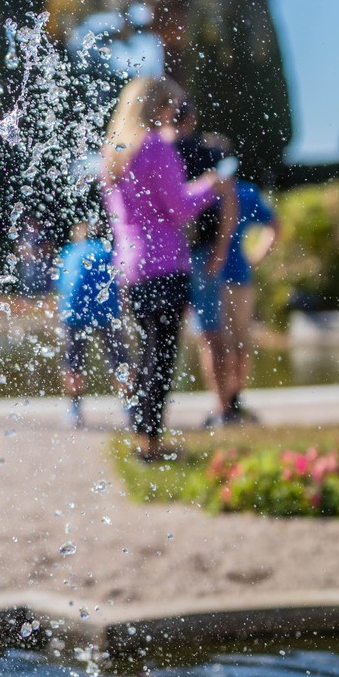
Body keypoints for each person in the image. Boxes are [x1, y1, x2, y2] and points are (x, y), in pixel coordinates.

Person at [100, 76, 226, 462]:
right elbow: (181, 208)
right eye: (171, 105)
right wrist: (211, 185)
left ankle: (142, 434)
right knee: (162, 356)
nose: (175, 112)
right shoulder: (156, 146)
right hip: (166, 264)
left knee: (146, 354)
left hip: (131, 266)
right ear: (156, 107)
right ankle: (149, 444)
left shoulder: (114, 150)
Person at [172, 104, 238, 426]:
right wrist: (220, 251)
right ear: (192, 119)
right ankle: (224, 407)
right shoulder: (209, 152)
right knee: (211, 334)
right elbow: (229, 204)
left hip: (168, 256)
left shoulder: (158, 151)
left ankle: (147, 417)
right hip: (201, 254)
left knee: (161, 335)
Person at [54, 221, 127, 428]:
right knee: (119, 361)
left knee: (73, 363)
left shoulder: (69, 251)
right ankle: (128, 408)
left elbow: (61, 285)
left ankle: (74, 410)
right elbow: (121, 280)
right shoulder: (110, 250)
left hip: (73, 311)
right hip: (107, 310)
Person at [219, 176, 278, 421]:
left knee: (217, 341)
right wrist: (255, 258)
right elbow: (275, 226)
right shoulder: (245, 192)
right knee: (240, 341)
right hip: (238, 275)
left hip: (209, 277)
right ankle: (233, 401)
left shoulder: (203, 190)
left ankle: (224, 405)